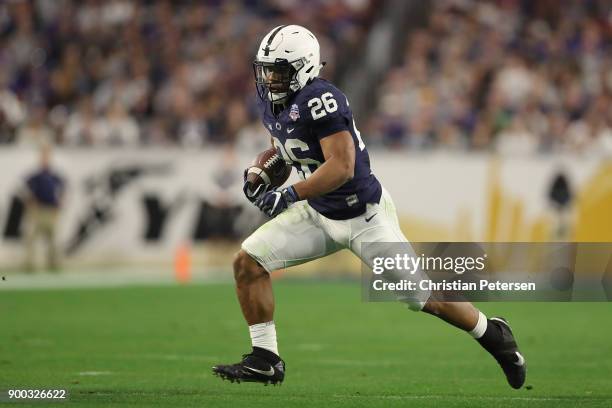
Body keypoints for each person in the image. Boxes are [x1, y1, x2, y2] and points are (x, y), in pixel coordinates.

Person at [212, 25, 526, 388]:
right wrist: (260, 173)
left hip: (364, 216)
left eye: (278, 71)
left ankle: (493, 333)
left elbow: (342, 166)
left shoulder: (321, 99)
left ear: (304, 67)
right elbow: (285, 151)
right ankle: (265, 359)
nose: (270, 79)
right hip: (319, 213)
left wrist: (291, 194)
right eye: (266, 70)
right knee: (248, 262)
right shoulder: (274, 103)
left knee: (423, 299)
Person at [23, 147, 65, 272]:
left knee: (53, 240)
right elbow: (25, 189)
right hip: (38, 211)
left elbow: (62, 189)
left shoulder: (54, 176)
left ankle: (53, 264)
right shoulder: (35, 176)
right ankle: (29, 265)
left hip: (50, 210)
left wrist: (58, 205)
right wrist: (31, 203)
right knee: (31, 239)